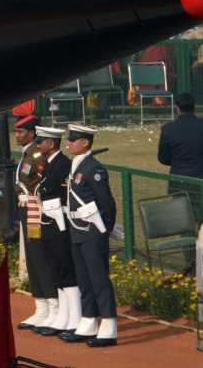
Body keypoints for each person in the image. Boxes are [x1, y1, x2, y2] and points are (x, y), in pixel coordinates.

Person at [61, 124, 118, 348]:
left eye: (73, 140)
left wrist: (106, 228)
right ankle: (88, 320)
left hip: (92, 231)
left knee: (99, 278)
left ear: (85, 142)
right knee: (84, 278)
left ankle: (109, 323)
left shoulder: (94, 168)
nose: (70, 143)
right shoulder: (77, 165)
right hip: (77, 228)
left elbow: (107, 202)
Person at [30, 126, 81, 338]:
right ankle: (65, 315)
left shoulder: (62, 165)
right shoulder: (48, 165)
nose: (38, 145)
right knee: (56, 268)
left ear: (51, 144)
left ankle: (75, 317)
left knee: (65, 267)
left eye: (41, 141)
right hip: (48, 221)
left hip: (60, 222)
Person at [14, 115, 57, 330]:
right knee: (32, 256)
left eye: (21, 132)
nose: (17, 135)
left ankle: (52, 306)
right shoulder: (28, 153)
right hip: (27, 208)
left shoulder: (37, 154)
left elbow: (42, 181)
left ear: (31, 133)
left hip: (35, 209)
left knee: (39, 255)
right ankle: (41, 307)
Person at [157, 92, 203, 224]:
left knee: (185, 224)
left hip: (179, 181)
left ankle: (187, 244)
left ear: (177, 108)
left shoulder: (168, 129)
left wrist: (178, 160)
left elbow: (163, 158)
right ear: (194, 107)